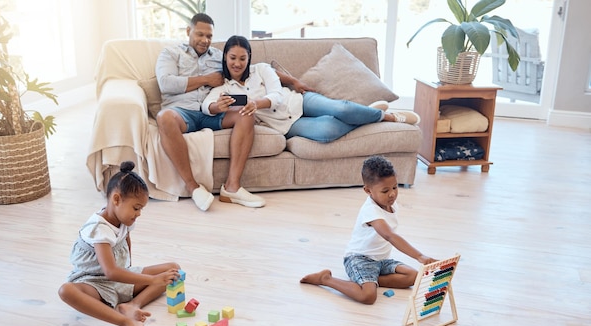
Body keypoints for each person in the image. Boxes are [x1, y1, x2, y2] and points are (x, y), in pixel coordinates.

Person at [201, 35, 420, 145]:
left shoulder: (262, 70)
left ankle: (386, 116)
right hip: (286, 124)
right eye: (232, 58)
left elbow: (277, 95)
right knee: (326, 132)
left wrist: (256, 104)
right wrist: (215, 106)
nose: (237, 63)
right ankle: (368, 113)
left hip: (298, 102)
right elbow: (205, 106)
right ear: (225, 58)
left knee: (341, 109)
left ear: (249, 58)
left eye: (242, 58)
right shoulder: (223, 86)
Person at [155, 13, 265, 210]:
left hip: (211, 112)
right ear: (188, 31)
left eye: (209, 36)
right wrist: (206, 79)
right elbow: (166, 84)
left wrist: (291, 81)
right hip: (182, 112)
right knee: (164, 118)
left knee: (246, 114)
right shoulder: (170, 53)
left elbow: (250, 68)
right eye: (200, 34)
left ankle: (232, 188)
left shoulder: (218, 56)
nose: (205, 40)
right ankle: (193, 187)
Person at [58, 161, 182, 326]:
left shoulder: (124, 219)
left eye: (141, 209)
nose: (138, 213)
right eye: (136, 208)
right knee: (66, 291)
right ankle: (124, 321)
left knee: (172, 269)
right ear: (116, 199)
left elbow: (126, 239)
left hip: (120, 278)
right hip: (94, 283)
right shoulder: (99, 230)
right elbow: (110, 272)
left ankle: (131, 305)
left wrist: (131, 270)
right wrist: (152, 280)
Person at [300, 155, 436, 305]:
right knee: (368, 297)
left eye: (395, 187)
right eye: (385, 191)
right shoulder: (371, 211)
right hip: (359, 259)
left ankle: (369, 280)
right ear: (368, 190)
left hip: (380, 261)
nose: (392, 194)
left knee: (413, 276)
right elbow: (389, 236)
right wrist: (419, 256)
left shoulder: (390, 204)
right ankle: (325, 279)